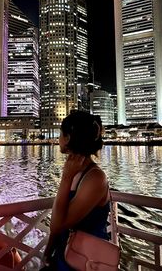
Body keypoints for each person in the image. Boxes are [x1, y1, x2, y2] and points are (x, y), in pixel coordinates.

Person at [41, 110, 110, 270]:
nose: (58, 139)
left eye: (60, 134)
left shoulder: (95, 178)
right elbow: (61, 212)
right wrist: (49, 249)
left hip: (85, 262)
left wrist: (66, 178)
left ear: (69, 138)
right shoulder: (74, 170)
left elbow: (58, 225)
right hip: (64, 254)